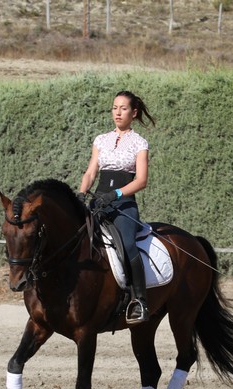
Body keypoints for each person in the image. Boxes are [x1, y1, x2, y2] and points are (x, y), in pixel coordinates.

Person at [78, 90, 155, 324]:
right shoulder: (101, 140)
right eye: (114, 108)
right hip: (98, 200)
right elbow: (92, 171)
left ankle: (139, 300)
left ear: (133, 113)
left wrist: (117, 193)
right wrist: (81, 194)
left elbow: (141, 180)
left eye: (123, 108)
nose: (118, 112)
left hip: (123, 204)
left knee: (128, 244)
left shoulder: (140, 143)